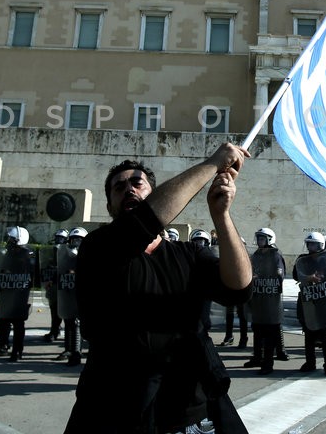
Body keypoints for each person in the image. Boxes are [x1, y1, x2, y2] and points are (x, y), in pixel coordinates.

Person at [64, 142, 251, 434]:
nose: (129, 190)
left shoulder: (189, 254)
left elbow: (238, 287)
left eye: (138, 183)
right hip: (116, 407)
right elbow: (145, 222)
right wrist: (213, 163)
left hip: (190, 406)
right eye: (119, 187)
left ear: (154, 193)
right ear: (109, 206)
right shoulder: (98, 248)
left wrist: (221, 216)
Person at [293, 231, 326, 378]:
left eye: (313, 244)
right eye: (309, 244)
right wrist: (309, 278)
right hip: (308, 300)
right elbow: (296, 274)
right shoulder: (302, 259)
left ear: (320, 245)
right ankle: (310, 362)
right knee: (309, 334)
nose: (310, 246)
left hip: (324, 300)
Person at [0, 226, 36, 362]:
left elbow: (28, 274)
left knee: (18, 322)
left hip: (19, 293)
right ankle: (2, 346)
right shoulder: (7, 253)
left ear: (18, 240)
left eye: (11, 239)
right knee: (3, 319)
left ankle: (17, 350)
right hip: (6, 291)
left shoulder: (27, 254)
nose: (8, 241)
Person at [243, 227, 285, 375]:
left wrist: (263, 278)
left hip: (270, 301)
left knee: (268, 336)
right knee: (258, 332)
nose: (259, 241)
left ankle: (267, 364)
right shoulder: (256, 255)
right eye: (259, 238)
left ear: (269, 240)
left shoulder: (275, 255)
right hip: (258, 299)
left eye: (262, 238)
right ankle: (257, 358)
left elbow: (279, 275)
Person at [57, 227, 86, 366]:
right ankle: (69, 349)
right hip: (68, 292)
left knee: (76, 324)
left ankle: (76, 352)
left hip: (80, 294)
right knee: (68, 321)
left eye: (79, 240)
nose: (76, 243)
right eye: (74, 240)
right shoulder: (66, 254)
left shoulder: (88, 254)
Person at [41, 228, 68, 343]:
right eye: (57, 238)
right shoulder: (53, 251)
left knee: (67, 312)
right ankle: (54, 330)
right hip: (54, 285)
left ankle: (68, 336)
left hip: (65, 286)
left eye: (61, 238)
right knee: (54, 309)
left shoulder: (69, 252)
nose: (59, 240)